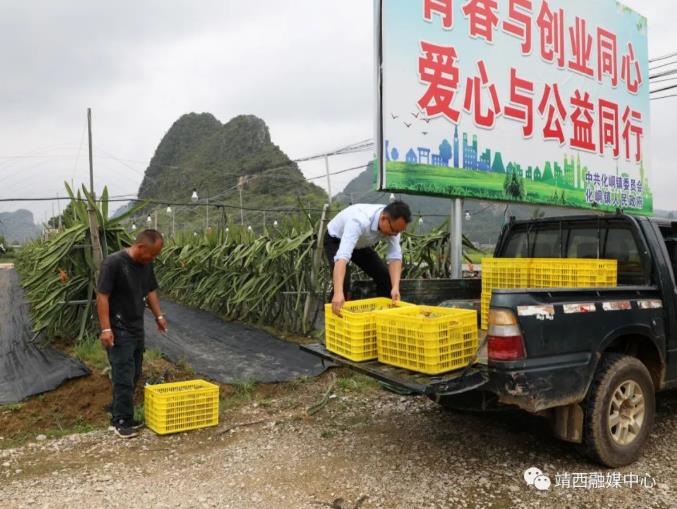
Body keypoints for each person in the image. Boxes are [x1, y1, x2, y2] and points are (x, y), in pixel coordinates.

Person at [96, 229, 168, 438]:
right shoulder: (114, 263)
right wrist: (106, 329)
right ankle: (120, 420)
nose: (153, 258)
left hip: (136, 327)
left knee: (134, 373)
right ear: (141, 247)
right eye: (152, 254)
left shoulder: (146, 264)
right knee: (123, 375)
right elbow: (102, 297)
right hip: (118, 329)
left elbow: (150, 290)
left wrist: (159, 316)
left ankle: (120, 412)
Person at [324, 200, 411, 316]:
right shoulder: (359, 221)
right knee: (342, 283)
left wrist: (395, 288)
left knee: (385, 277)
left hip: (360, 244)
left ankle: (383, 319)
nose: (395, 234)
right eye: (394, 231)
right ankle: (333, 320)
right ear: (383, 219)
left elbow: (395, 257)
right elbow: (342, 258)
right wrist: (338, 293)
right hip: (336, 239)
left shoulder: (393, 225)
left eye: (399, 232)